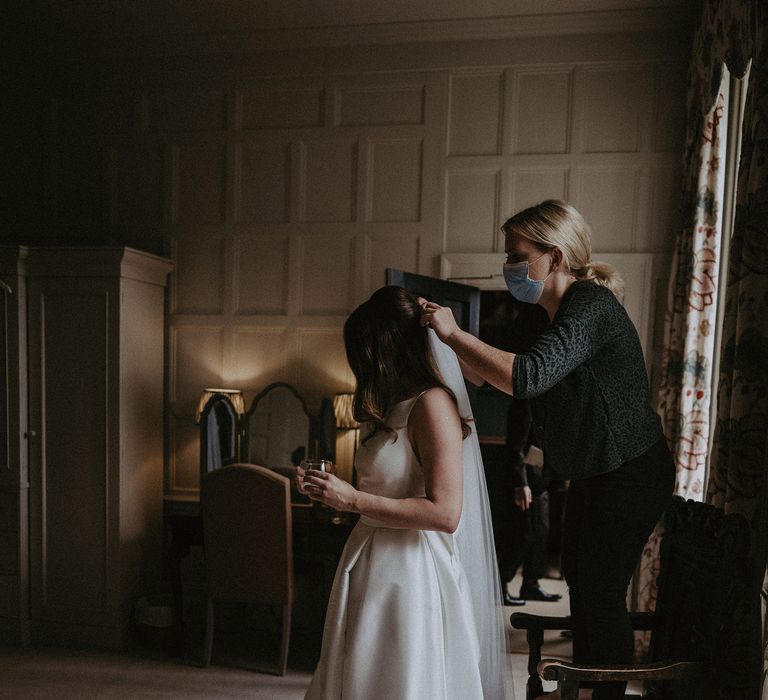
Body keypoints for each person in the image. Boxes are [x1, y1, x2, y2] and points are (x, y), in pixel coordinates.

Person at [421, 200, 675, 700]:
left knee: (599, 595)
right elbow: (488, 374)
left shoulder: (592, 306)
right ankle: (589, 689)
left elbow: (525, 376)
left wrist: (454, 331)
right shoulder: (542, 317)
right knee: (583, 589)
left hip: (632, 470)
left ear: (554, 258)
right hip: (595, 472)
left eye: (518, 254)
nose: (510, 266)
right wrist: (439, 339)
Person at [299, 285, 511, 700]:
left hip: (411, 574)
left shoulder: (432, 405)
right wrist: (331, 490)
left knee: (401, 680)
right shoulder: (388, 407)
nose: (360, 362)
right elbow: (388, 483)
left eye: (365, 350)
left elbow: (446, 513)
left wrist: (353, 500)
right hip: (368, 561)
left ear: (389, 348)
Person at [503, 397, 562, 604]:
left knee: (541, 532)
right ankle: (500, 585)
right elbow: (515, 445)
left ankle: (531, 585)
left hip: (541, 478)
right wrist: (521, 483)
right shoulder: (527, 400)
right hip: (526, 480)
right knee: (524, 534)